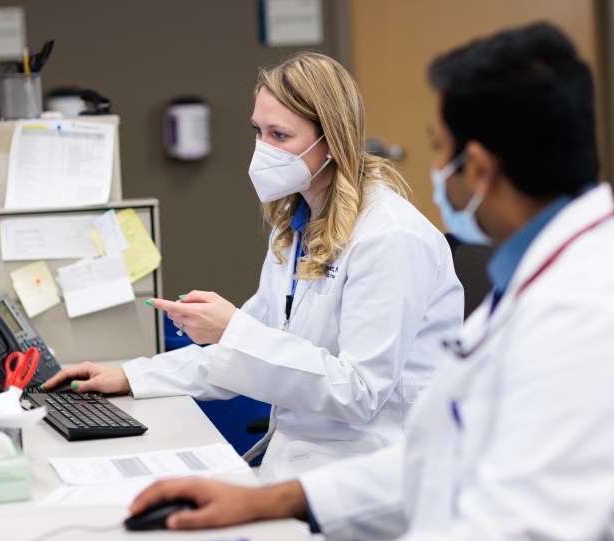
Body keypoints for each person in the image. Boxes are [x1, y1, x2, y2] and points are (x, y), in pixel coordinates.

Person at [104, 23, 614, 541]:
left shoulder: (588, 311)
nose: (433, 174)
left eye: (439, 150)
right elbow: (444, 454)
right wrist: (282, 501)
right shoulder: (542, 278)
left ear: (478, 168)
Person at [43, 52, 464, 484]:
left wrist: (232, 330)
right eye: (258, 132)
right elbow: (252, 349)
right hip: (305, 457)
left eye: (280, 135)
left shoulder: (389, 238)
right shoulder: (298, 225)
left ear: (333, 142)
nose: (264, 149)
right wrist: (132, 375)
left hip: (373, 472)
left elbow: (358, 392)